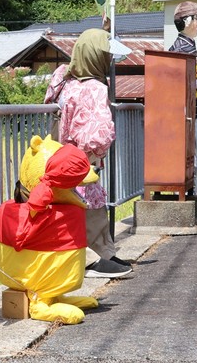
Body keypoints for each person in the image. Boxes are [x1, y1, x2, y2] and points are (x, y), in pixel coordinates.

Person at [44, 28, 132, 279]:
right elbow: (100, 134)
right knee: (90, 206)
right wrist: (97, 153)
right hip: (82, 159)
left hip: (57, 155)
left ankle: (98, 255)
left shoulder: (63, 78)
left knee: (68, 208)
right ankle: (96, 259)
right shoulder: (95, 88)